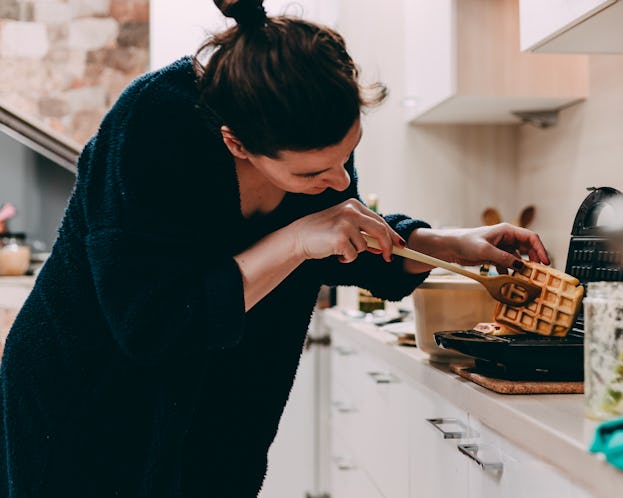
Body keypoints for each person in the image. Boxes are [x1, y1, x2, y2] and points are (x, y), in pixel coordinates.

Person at [0, 1, 549, 496]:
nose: (339, 181)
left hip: (221, 400)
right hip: (86, 397)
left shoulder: (309, 119)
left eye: (348, 153)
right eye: (313, 171)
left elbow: (340, 233)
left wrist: (445, 243)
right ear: (235, 142)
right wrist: (293, 242)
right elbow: (152, 322)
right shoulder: (152, 126)